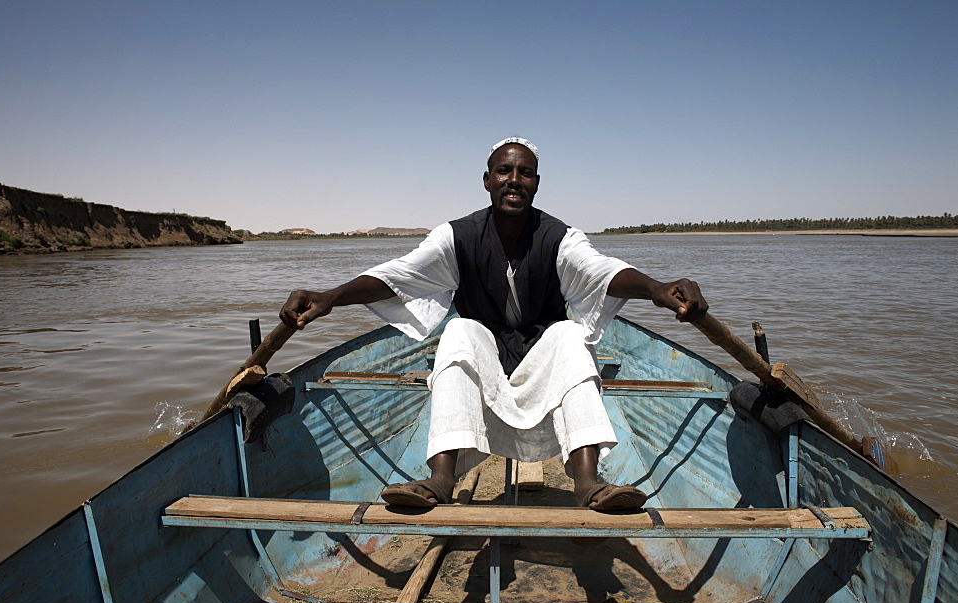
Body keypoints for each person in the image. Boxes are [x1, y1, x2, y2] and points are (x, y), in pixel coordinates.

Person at [280, 137, 708, 511]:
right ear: (487, 180)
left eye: (525, 173)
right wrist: (331, 297)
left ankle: (587, 483)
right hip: (487, 365)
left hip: (541, 361)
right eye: (504, 171)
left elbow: (600, 271)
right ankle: (442, 480)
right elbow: (400, 275)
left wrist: (654, 288)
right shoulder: (457, 235)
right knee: (459, 331)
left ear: (537, 184)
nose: (514, 180)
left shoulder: (559, 237)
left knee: (570, 334)